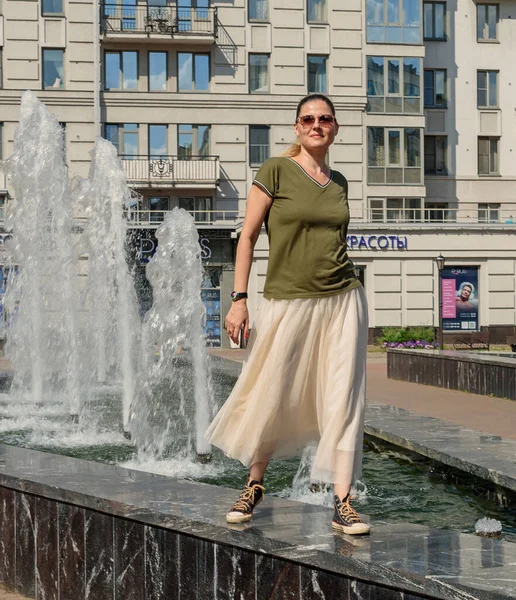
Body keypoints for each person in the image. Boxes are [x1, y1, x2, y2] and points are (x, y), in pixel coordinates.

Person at [205, 94, 370, 535]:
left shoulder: (339, 182)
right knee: (271, 390)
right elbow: (248, 237)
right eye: (308, 119)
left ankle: (342, 501)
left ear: (335, 128)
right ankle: (254, 484)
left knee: (344, 397)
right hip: (287, 300)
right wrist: (238, 299)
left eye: (325, 119)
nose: (317, 125)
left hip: (342, 299)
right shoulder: (274, 171)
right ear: (297, 128)